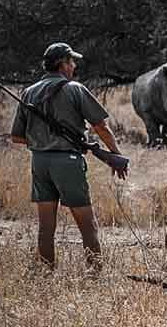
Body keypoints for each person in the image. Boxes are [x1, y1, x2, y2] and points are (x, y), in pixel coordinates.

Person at [10, 42, 125, 272]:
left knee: (45, 226)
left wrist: (43, 141)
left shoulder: (29, 92)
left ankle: (46, 271)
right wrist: (116, 155)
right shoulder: (75, 89)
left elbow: (17, 137)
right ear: (62, 64)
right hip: (68, 163)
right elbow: (101, 127)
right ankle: (95, 272)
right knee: (87, 224)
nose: (74, 66)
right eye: (71, 61)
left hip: (39, 162)